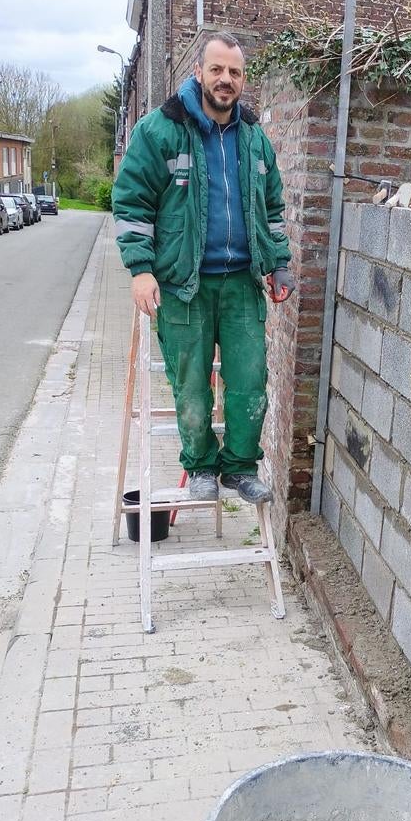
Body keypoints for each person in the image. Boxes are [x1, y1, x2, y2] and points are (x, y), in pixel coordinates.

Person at [112, 32, 294, 504]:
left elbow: (272, 209)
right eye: (217, 69)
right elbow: (132, 201)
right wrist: (140, 269)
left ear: (242, 79)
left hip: (242, 285)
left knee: (250, 382)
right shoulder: (160, 131)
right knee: (190, 384)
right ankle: (200, 466)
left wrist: (279, 266)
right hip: (182, 285)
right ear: (200, 73)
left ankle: (238, 467)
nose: (225, 80)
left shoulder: (254, 139)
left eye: (234, 72)